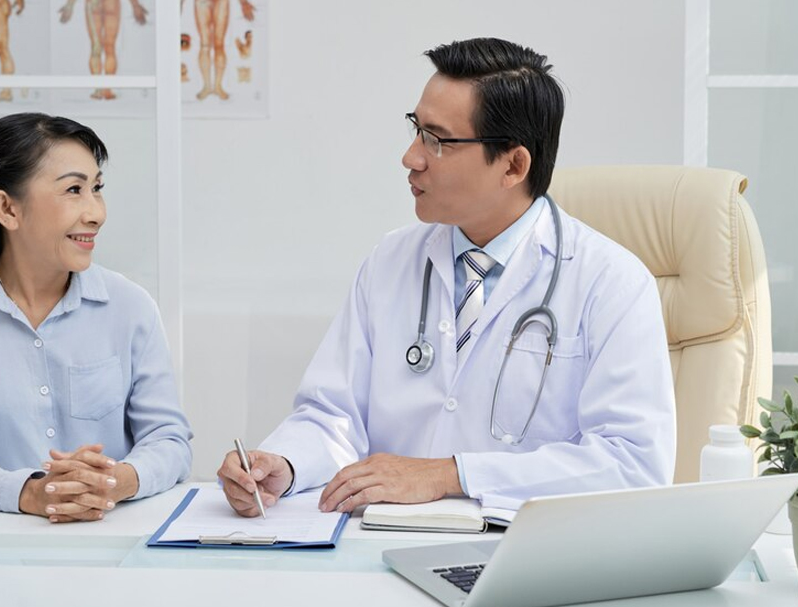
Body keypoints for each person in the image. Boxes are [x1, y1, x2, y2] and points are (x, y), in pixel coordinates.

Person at [218, 38, 676, 517]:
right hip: (379, 540)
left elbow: (633, 464)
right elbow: (333, 415)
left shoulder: (611, 283)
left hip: (519, 548)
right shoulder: (390, 261)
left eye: (437, 141)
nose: (411, 157)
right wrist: (284, 463)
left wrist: (450, 475)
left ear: (514, 165)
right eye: (417, 130)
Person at [0, 113, 192, 522]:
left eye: (97, 188)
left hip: (112, 534)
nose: (96, 213)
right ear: (7, 208)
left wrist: (116, 481)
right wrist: (30, 492)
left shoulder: (129, 306)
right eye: (74, 189)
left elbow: (170, 440)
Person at [59, 0, 148, 100]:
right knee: (107, 47)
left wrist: (70, 4)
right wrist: (135, 5)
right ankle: (105, 89)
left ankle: (100, 89)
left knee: (98, 46)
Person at [180, 0, 255, 100]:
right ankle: (207, 86)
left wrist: (243, 2)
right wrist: (179, 1)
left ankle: (218, 86)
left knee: (219, 45)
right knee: (205, 44)